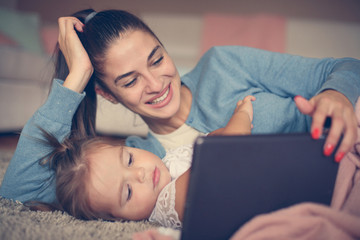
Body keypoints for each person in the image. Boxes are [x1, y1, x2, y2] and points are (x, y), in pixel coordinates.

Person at [1, 7, 360, 213]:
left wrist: (336, 95)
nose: (156, 84)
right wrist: (74, 80)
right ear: (106, 94)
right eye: (129, 81)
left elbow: (346, 67)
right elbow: (16, 195)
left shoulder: (224, 65)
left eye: (157, 59)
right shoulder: (143, 164)